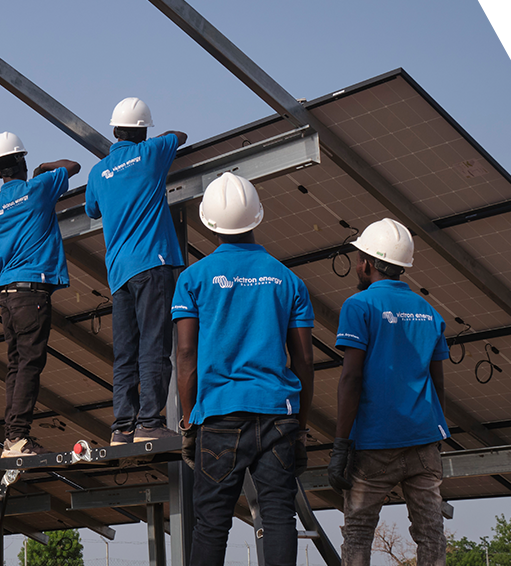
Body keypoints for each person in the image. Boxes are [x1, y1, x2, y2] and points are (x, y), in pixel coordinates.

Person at [173, 173, 314, 566]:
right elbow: (303, 360)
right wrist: (300, 428)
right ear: (257, 217)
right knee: (279, 517)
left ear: (208, 221)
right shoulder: (289, 280)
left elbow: (186, 356)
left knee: (211, 524)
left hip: (218, 416)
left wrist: (188, 422)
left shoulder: (193, 279)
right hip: (277, 414)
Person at [328, 218, 449, 566]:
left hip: (375, 445)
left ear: (367, 263)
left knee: (358, 533)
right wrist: (434, 432)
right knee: (431, 534)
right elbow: (438, 383)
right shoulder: (431, 312)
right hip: (424, 440)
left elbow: (351, 379)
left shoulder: (359, 306)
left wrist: (340, 446)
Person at [0, 132, 80, 458]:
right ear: (22, 161)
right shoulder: (39, 188)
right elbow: (73, 166)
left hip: (7, 295)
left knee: (16, 364)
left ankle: (11, 438)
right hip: (33, 291)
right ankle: (17, 437)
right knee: (29, 364)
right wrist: (45, 166)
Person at [85, 97, 188, 445]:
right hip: (151, 262)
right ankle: (149, 422)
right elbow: (179, 135)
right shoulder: (151, 153)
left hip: (119, 273)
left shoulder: (98, 172)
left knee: (125, 351)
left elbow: (93, 210)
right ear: (143, 132)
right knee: (154, 345)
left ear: (114, 130)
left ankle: (122, 427)